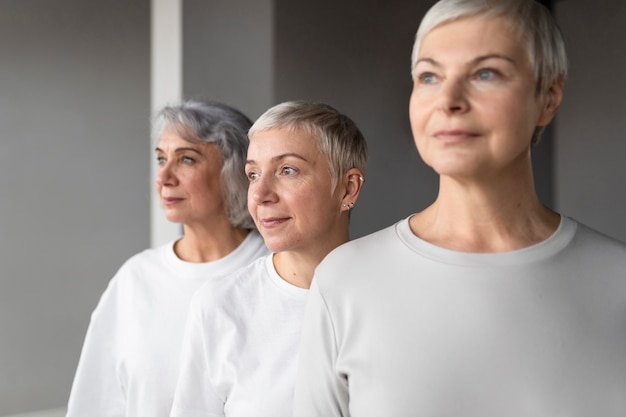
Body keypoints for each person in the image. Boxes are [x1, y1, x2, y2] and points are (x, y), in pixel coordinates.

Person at [293, 1, 626, 416]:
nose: (448, 99)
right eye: (429, 76)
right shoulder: (344, 281)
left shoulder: (618, 283)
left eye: (486, 73)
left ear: (549, 96)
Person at [66, 100, 269, 417]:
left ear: (235, 172)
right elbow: (97, 403)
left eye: (187, 159)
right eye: (161, 159)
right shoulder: (135, 279)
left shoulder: (278, 269)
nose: (164, 177)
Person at [169, 101, 368, 417]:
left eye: (287, 170)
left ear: (347, 188)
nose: (260, 194)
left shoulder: (395, 296)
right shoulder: (222, 305)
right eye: (253, 173)